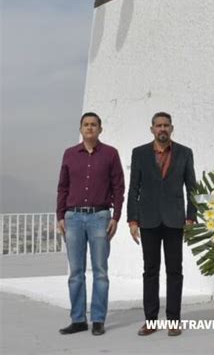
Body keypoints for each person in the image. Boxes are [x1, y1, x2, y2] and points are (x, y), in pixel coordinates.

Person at [127, 111, 197, 337]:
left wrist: (191, 217)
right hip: (148, 220)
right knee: (150, 271)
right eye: (158, 125)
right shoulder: (139, 153)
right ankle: (150, 320)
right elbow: (133, 189)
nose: (162, 129)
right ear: (152, 129)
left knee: (175, 271)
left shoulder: (185, 153)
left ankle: (174, 320)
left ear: (172, 128)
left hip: (175, 220)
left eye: (166, 125)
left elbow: (192, 187)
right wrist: (132, 220)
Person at [56, 111, 125, 336]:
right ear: (80, 128)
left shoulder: (111, 154)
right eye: (86, 124)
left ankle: (97, 319)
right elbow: (62, 187)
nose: (89, 128)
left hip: (99, 217)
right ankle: (78, 320)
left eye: (93, 125)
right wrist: (60, 216)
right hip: (73, 218)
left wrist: (116, 217)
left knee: (100, 271)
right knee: (76, 272)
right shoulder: (69, 154)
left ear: (100, 129)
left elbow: (118, 188)